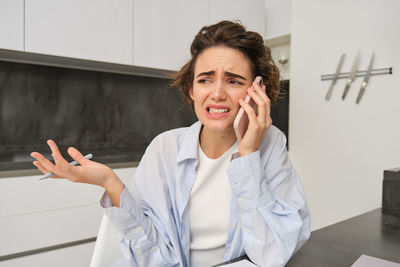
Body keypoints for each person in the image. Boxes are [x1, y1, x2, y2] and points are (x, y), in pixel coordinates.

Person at [31, 21, 310, 267]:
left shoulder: (270, 144)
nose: (217, 93)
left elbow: (272, 256)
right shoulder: (165, 149)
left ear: (256, 90)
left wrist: (248, 155)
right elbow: (156, 258)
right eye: (205, 79)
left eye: (234, 81)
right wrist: (110, 183)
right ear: (191, 89)